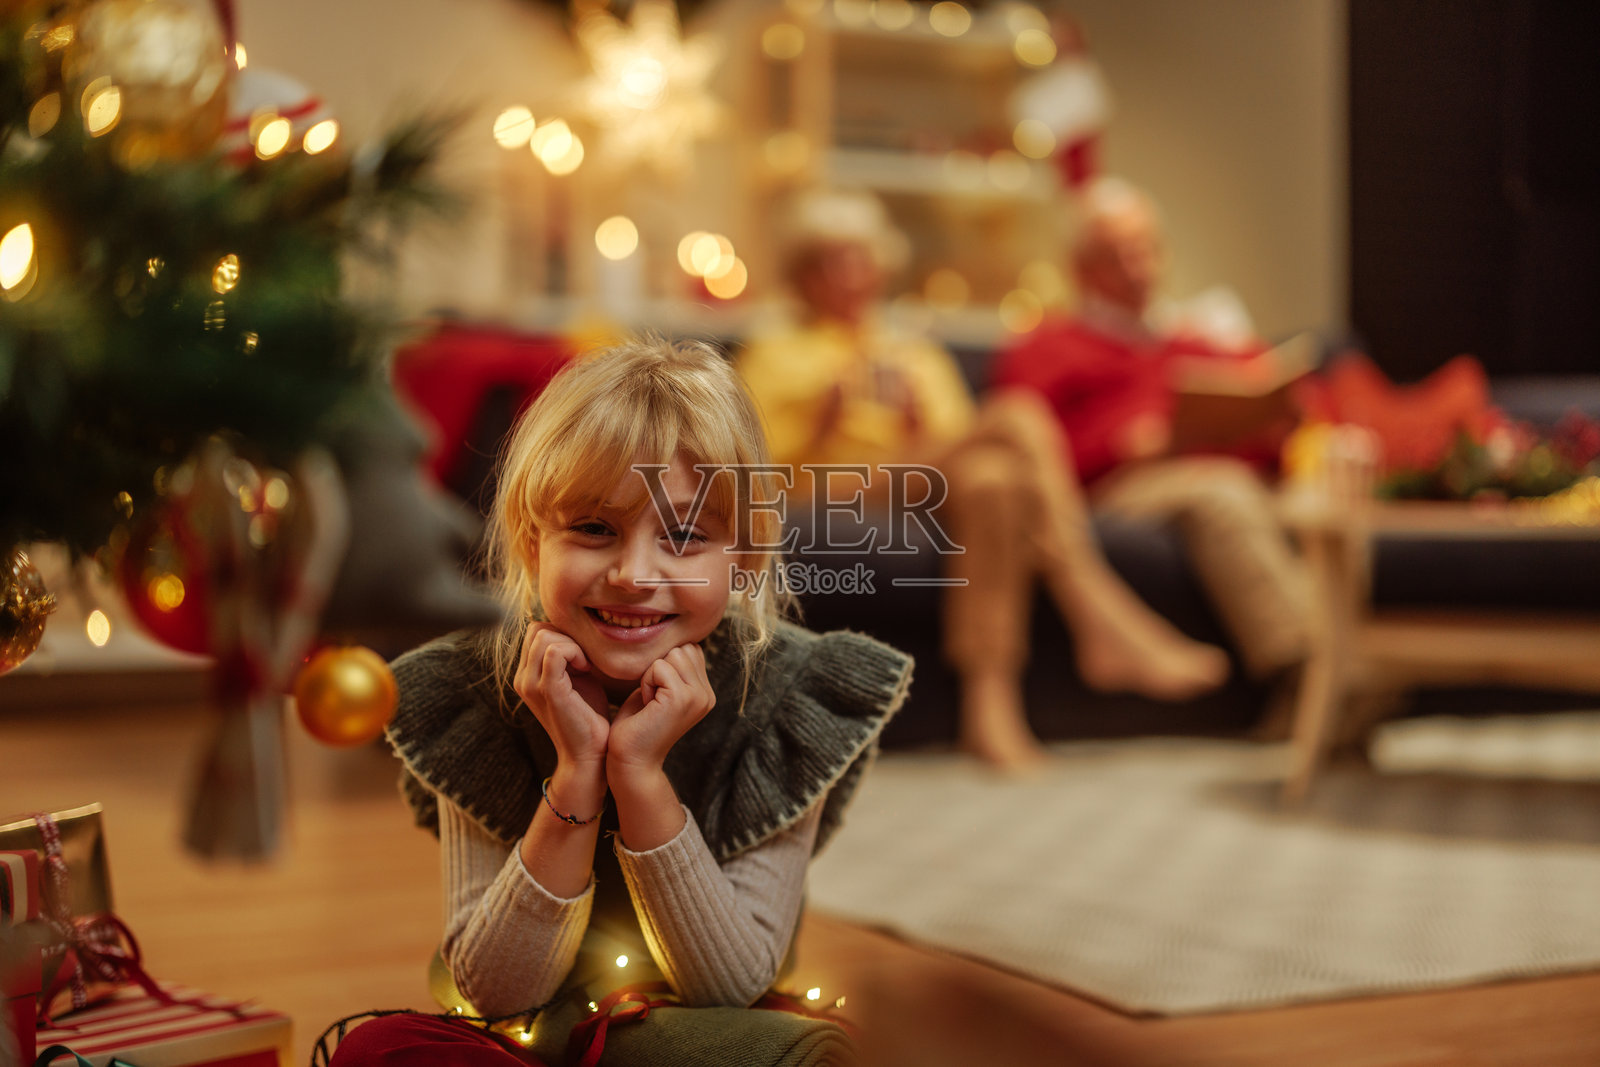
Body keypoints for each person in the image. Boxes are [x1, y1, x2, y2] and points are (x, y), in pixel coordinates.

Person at [325, 338, 913, 1065]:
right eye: (594, 528)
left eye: (685, 535)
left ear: (745, 559)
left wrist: (638, 774)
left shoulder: (792, 697)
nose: (635, 574)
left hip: (701, 1033)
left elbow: (730, 982)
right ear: (532, 542)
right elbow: (495, 990)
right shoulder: (471, 689)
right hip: (525, 1035)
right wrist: (578, 770)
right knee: (379, 1052)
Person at [738, 189, 1228, 772]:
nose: (850, 275)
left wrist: (917, 420)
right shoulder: (774, 351)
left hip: (917, 483)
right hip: (825, 486)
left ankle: (988, 711)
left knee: (992, 481)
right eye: (830, 262)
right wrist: (824, 421)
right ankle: (1095, 604)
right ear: (802, 275)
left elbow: (960, 438)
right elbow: (754, 466)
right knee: (1018, 415)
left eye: (860, 258)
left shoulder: (911, 351)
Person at [991, 178, 1313, 683]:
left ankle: (1352, 660)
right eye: (1117, 257)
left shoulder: (1203, 340)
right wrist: (1123, 447)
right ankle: (1312, 669)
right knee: (1220, 494)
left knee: (1328, 509)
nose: (1138, 269)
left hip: (1221, 473)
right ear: (1081, 268)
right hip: (1117, 488)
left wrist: (1276, 425)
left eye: (1146, 251)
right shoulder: (1045, 346)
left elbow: (1263, 432)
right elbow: (1027, 455)